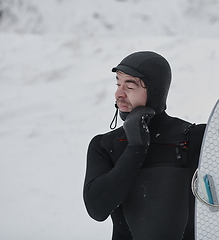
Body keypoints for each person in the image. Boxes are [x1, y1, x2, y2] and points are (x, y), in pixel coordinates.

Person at [83, 51, 206, 240]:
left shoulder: (193, 138)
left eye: (129, 86)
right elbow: (97, 209)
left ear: (155, 91)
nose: (119, 94)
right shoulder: (105, 145)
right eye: (118, 84)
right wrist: (135, 148)